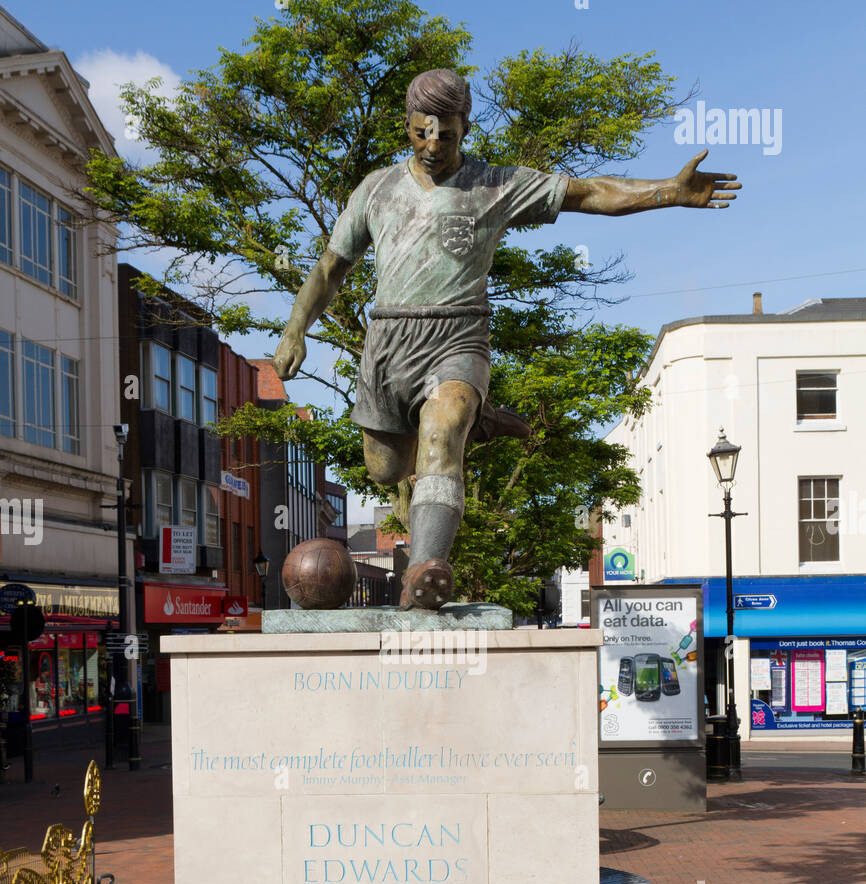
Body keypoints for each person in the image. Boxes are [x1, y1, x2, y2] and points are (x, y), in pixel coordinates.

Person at [274, 69, 740, 610]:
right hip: (388, 339)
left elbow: (587, 193)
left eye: (445, 134)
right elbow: (332, 266)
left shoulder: (494, 184)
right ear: (406, 124)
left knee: (443, 430)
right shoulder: (376, 190)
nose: (432, 144)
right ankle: (483, 421)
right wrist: (294, 330)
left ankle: (425, 570)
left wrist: (669, 192)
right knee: (386, 469)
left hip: (458, 335)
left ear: (464, 127)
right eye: (421, 131)